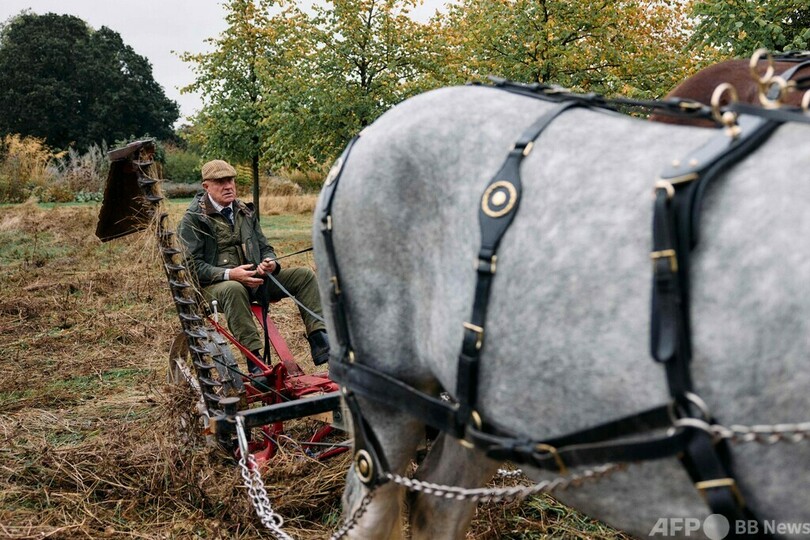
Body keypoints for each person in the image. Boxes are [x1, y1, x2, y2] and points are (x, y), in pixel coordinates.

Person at [177, 159, 330, 375]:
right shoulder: (193, 220)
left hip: (256, 280)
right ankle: (255, 361)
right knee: (234, 288)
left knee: (303, 276)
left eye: (230, 179)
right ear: (206, 186)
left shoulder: (245, 211)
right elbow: (191, 267)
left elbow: (265, 246)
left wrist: (270, 263)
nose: (228, 185)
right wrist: (230, 274)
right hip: (215, 288)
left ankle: (320, 339)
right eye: (220, 181)